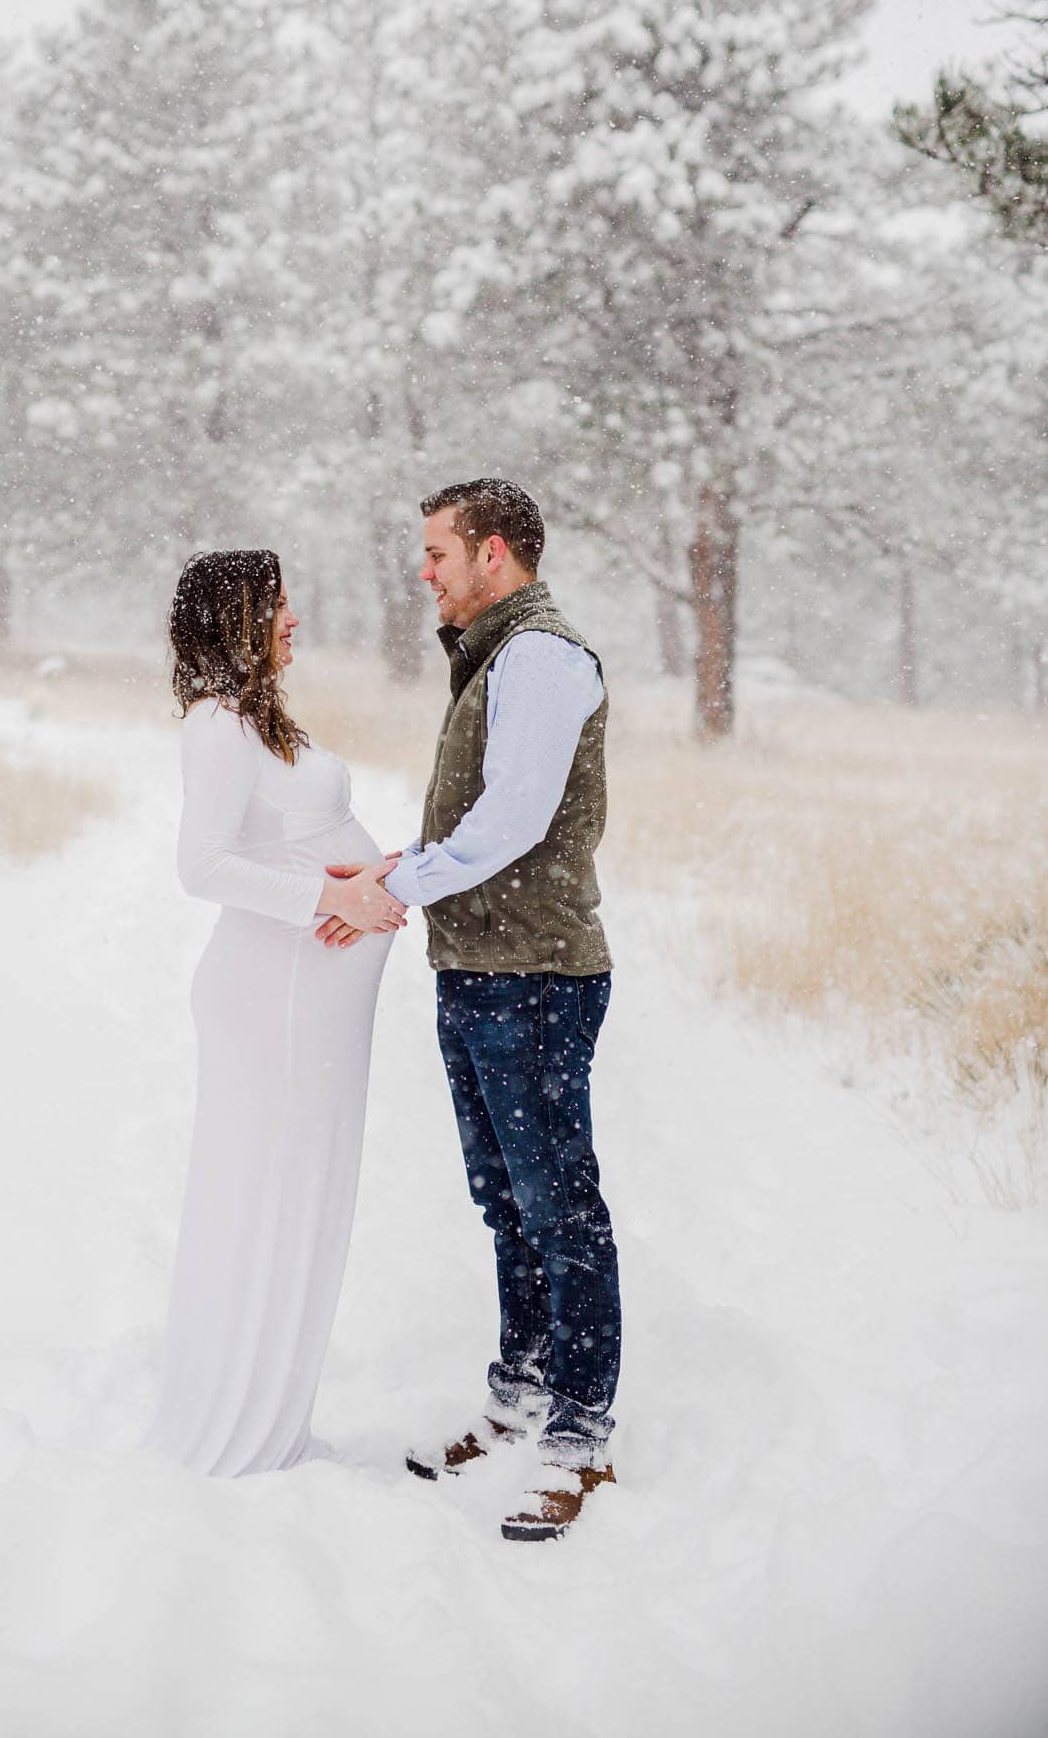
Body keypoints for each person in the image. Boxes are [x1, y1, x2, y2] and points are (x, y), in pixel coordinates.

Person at [318, 479, 619, 1542]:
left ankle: (579, 1436)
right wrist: (407, 864)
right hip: (485, 966)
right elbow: (480, 822)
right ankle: (520, 1395)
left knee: (557, 1206)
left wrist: (398, 887)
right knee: (507, 1201)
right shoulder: (497, 652)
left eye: (437, 551)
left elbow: (516, 815)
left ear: (493, 552)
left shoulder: (538, 652)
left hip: (534, 974)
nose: (423, 569)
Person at [150, 549, 405, 1477]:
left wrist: (356, 875)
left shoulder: (258, 716)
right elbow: (203, 865)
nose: (295, 618)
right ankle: (236, 1425)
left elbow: (287, 840)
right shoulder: (219, 723)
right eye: (280, 604)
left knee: (298, 1193)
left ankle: (272, 1409)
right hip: (274, 1001)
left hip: (307, 1000)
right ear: (237, 616)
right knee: (264, 1196)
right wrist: (326, 902)